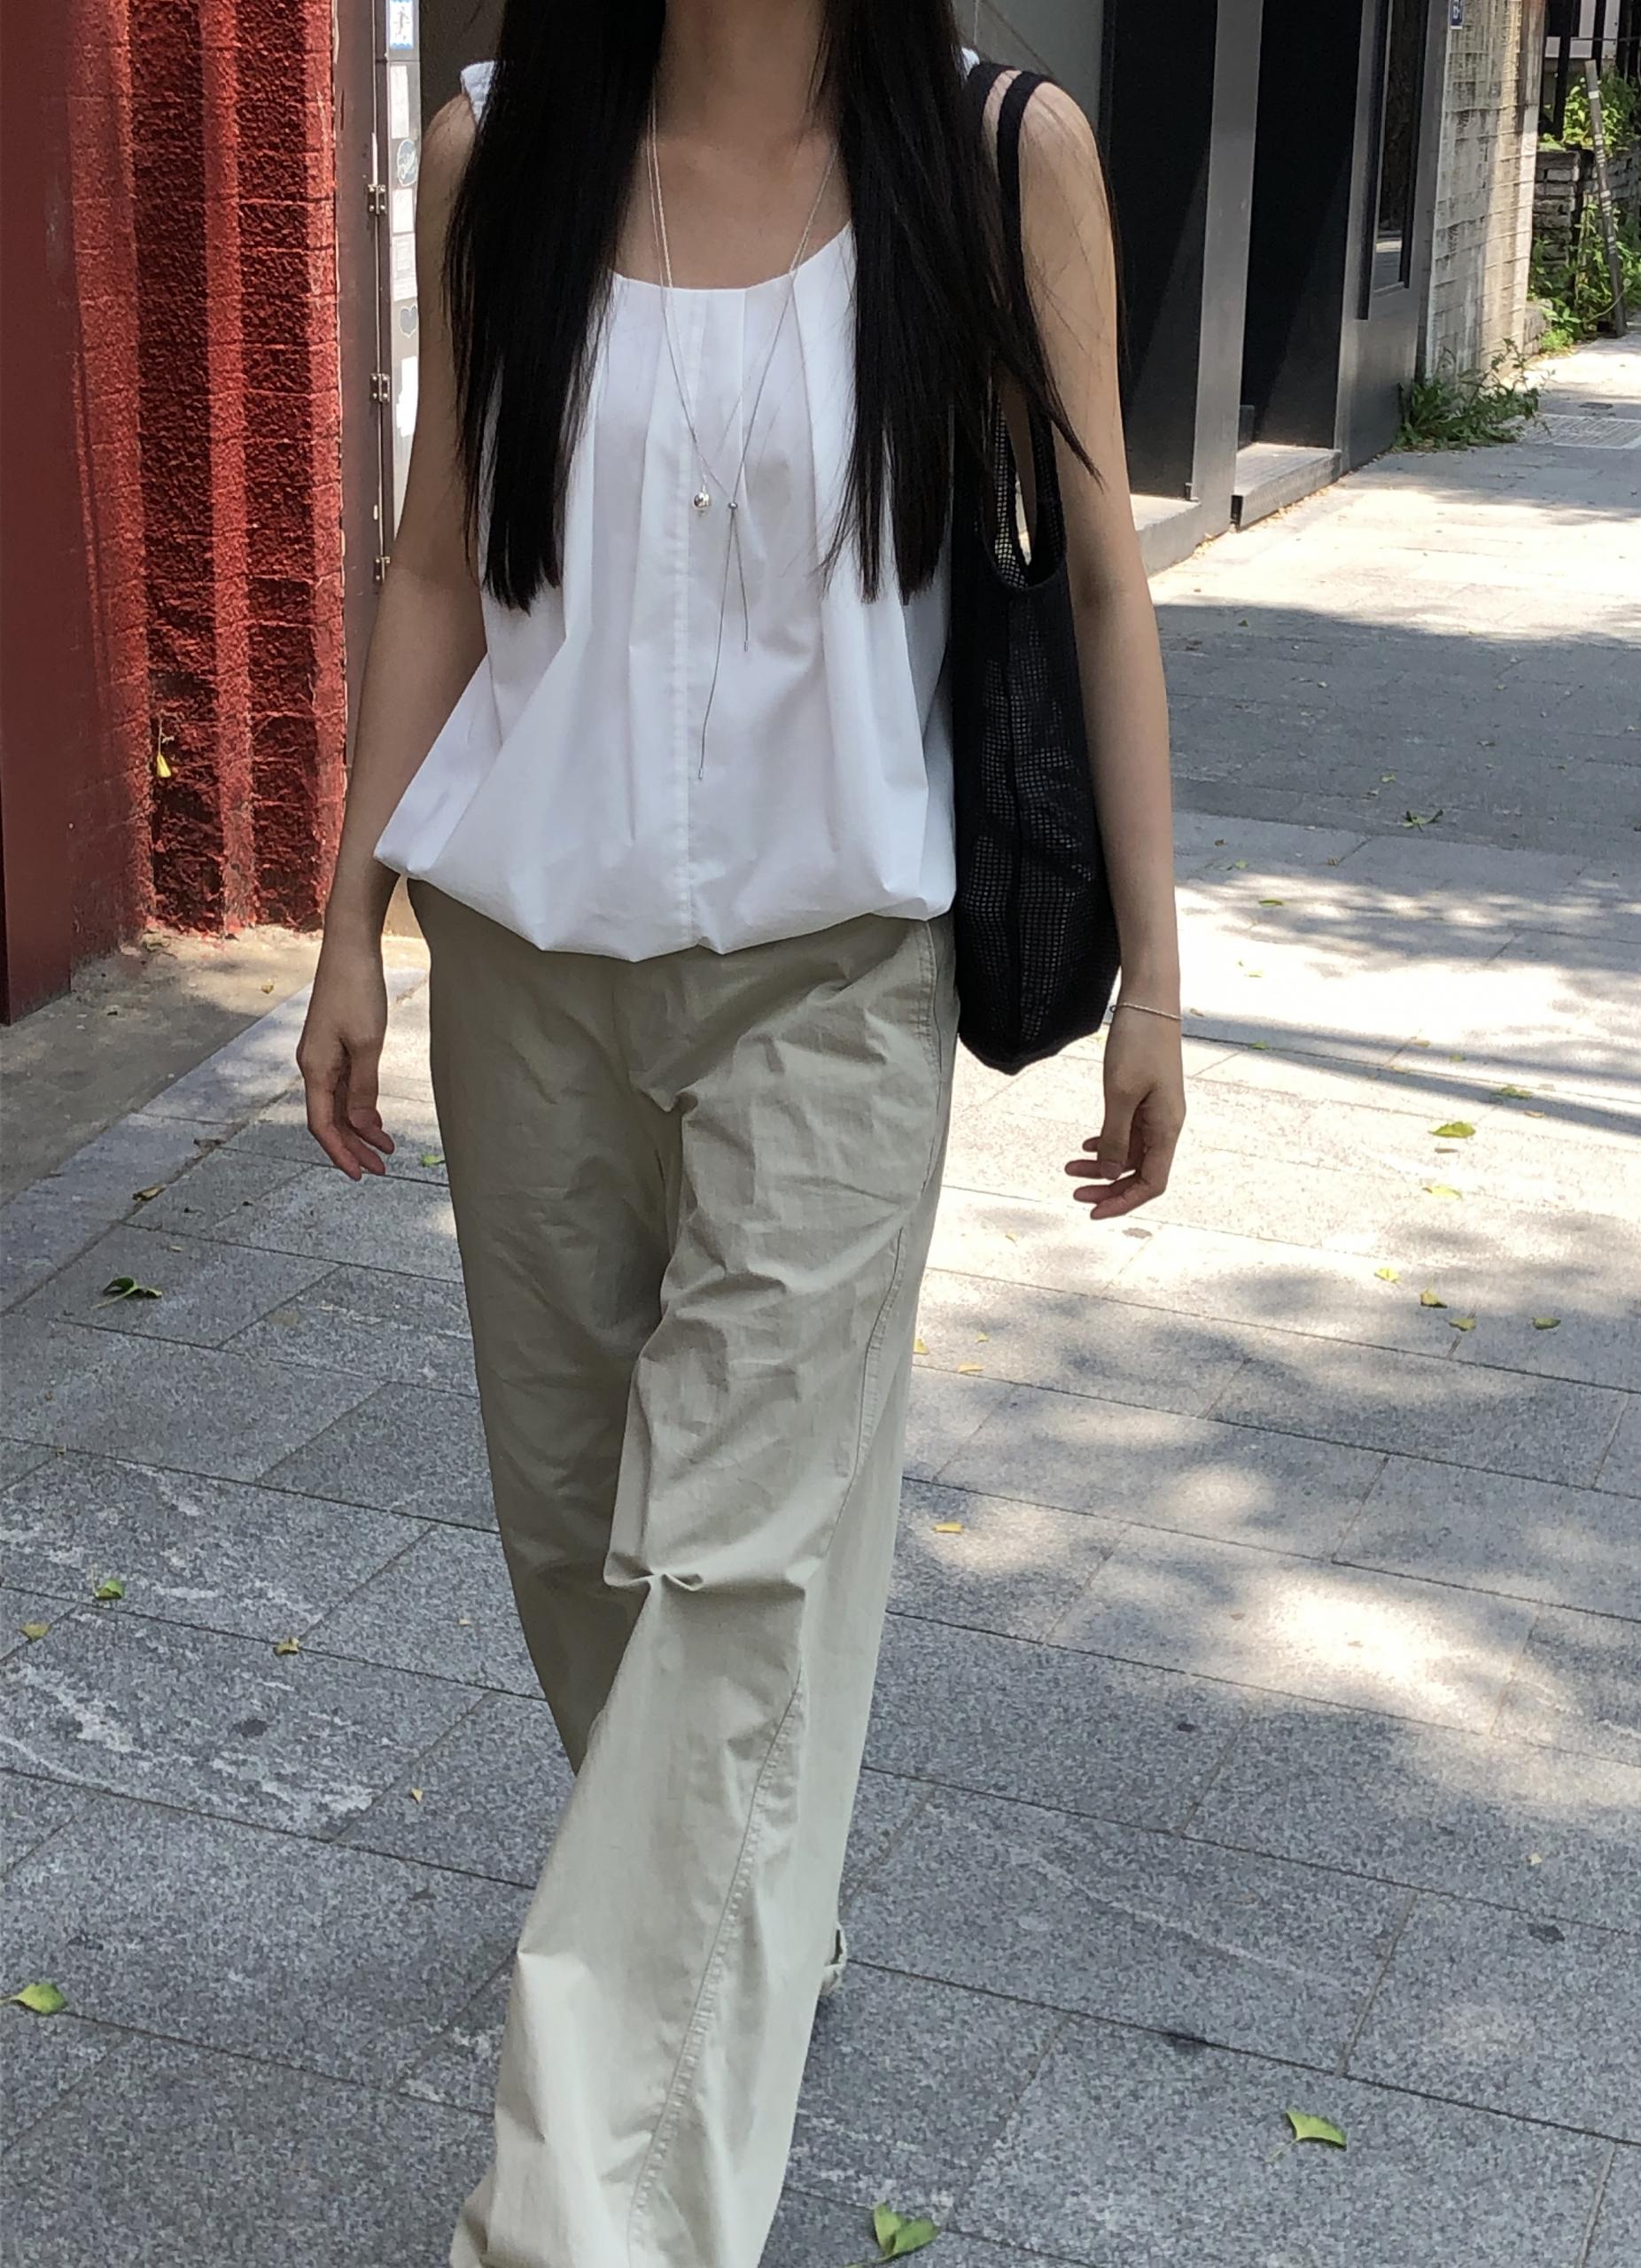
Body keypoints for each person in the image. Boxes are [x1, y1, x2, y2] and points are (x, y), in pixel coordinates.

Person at [295, 2, 1182, 2260]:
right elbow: (435, 557)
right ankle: (749, 1902)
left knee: (733, 1571)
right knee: (578, 1536)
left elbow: (1101, 571)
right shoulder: (500, 150)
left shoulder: (996, 159)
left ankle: (582, 2218)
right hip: (529, 968)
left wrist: (1159, 976)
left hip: (837, 982)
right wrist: (349, 920)